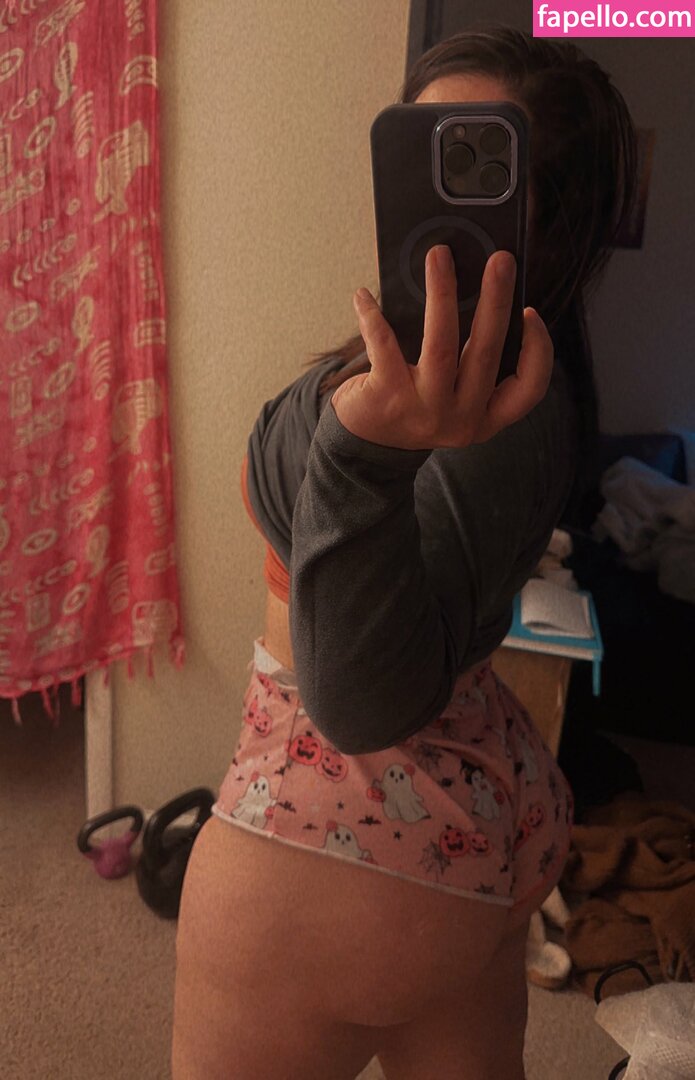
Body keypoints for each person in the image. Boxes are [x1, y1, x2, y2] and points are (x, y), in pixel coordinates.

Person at [172, 25, 636, 1080]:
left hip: (342, 834)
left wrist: (358, 455)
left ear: (544, 211)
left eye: (471, 157)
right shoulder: (450, 362)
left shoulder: (491, 406)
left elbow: (360, 702)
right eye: (417, 145)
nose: (433, 183)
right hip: (463, 808)